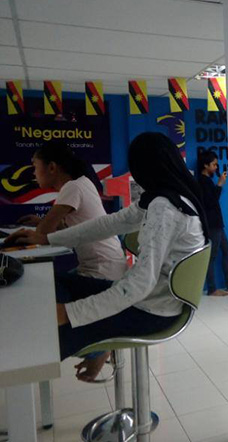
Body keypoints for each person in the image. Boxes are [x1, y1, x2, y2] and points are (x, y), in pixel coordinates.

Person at [7, 133, 208, 381]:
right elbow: (107, 224)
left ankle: (47, 360)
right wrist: (48, 239)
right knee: (56, 282)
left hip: (152, 312)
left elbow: (139, 285)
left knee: (47, 336)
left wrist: (69, 313)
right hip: (149, 300)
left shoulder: (165, 209)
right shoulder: (164, 198)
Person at [16, 142, 127, 281]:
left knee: (44, 284)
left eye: (35, 167)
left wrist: (39, 227)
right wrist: (42, 222)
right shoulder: (82, 182)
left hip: (102, 273)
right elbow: (70, 235)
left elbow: (42, 233)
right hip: (111, 268)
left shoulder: (72, 188)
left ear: (52, 167)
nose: (34, 173)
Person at [197, 150, 228, 297]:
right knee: (212, 256)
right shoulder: (202, 182)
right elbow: (210, 202)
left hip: (217, 223)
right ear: (206, 165)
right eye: (214, 164)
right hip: (212, 225)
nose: (216, 167)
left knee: (227, 251)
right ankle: (212, 289)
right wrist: (219, 185)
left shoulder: (207, 181)